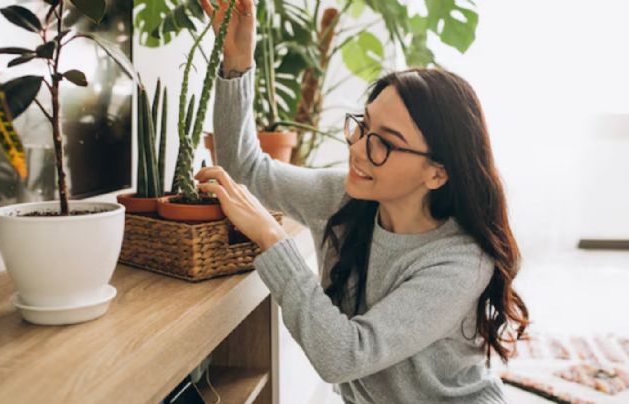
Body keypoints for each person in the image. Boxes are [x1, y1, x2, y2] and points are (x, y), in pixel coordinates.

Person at [194, 1, 529, 403]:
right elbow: (246, 170)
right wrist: (236, 65)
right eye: (363, 126)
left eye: (384, 143)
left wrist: (272, 237)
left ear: (437, 173)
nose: (357, 149)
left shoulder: (460, 262)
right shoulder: (344, 200)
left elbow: (344, 355)